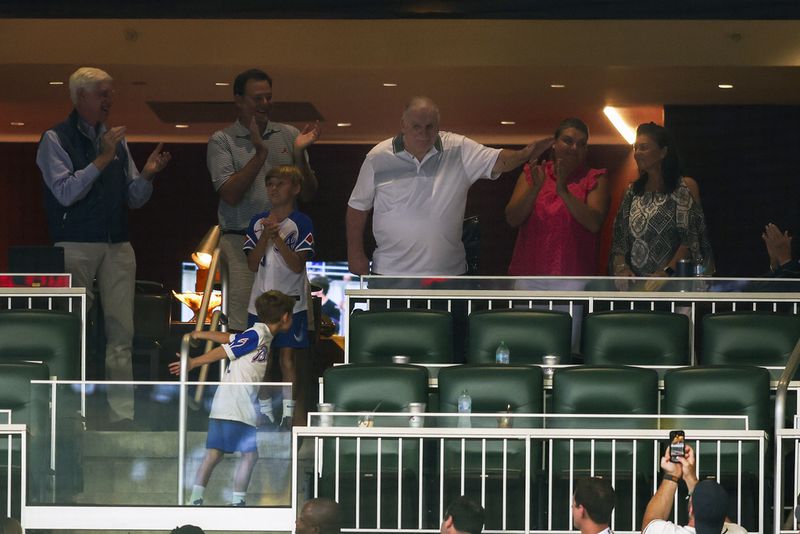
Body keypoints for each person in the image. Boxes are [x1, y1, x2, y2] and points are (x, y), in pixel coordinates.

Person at [36, 66, 171, 427]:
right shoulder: (55, 139)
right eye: (102, 93)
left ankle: (121, 415)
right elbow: (63, 193)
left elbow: (134, 199)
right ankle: (70, 413)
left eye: (111, 93)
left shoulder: (115, 140)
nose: (110, 100)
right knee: (73, 332)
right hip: (75, 242)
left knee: (121, 331)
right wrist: (101, 159)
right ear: (80, 97)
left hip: (117, 243)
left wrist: (147, 175)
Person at [347, 96, 554, 276]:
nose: (424, 133)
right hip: (390, 272)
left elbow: (498, 160)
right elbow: (358, 207)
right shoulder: (378, 157)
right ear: (403, 125)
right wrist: (354, 252)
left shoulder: (458, 149)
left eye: (430, 127)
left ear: (438, 125)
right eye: (416, 126)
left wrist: (525, 154)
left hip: (447, 274)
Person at [207, 68, 320, 332]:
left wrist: (300, 154)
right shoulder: (222, 140)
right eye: (257, 99)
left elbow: (308, 193)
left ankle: (288, 375)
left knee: (291, 329)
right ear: (238, 100)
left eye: (268, 98)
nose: (265, 104)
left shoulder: (289, 135)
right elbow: (230, 195)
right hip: (241, 243)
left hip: (287, 241)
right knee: (246, 328)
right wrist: (259, 154)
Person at [168, 290, 295, 507]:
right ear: (285, 317)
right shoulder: (258, 335)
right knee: (249, 455)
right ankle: (238, 501)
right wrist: (194, 363)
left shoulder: (257, 334)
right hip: (238, 404)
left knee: (215, 454)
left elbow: (230, 338)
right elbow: (226, 350)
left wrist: (202, 333)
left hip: (225, 403)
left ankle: (195, 499)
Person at [244, 165, 314, 429]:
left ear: (295, 188)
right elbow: (252, 264)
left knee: (288, 358)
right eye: (270, 184)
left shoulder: (302, 222)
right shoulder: (257, 221)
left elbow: (298, 265)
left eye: (280, 184)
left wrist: (278, 238)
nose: (273, 189)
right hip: (260, 302)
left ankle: (287, 414)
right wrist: (266, 236)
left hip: (291, 303)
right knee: (262, 356)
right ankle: (263, 413)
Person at [506, 118, 610, 277]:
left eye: (581, 144)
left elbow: (594, 223)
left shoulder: (594, 178)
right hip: (529, 274)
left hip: (574, 276)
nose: (574, 148)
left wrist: (563, 191)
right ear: (554, 143)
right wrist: (535, 189)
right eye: (568, 141)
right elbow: (512, 218)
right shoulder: (534, 172)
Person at [610, 122, 714, 279]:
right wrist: (622, 268)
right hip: (638, 287)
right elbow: (619, 241)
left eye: (643, 147)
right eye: (635, 148)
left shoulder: (684, 187)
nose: (637, 153)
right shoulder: (630, 193)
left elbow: (690, 239)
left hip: (675, 285)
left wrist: (666, 272)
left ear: (663, 152)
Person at [642, 443, 746, 534]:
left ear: (691, 509)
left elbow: (650, 521)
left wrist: (672, 475)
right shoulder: (739, 532)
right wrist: (691, 479)